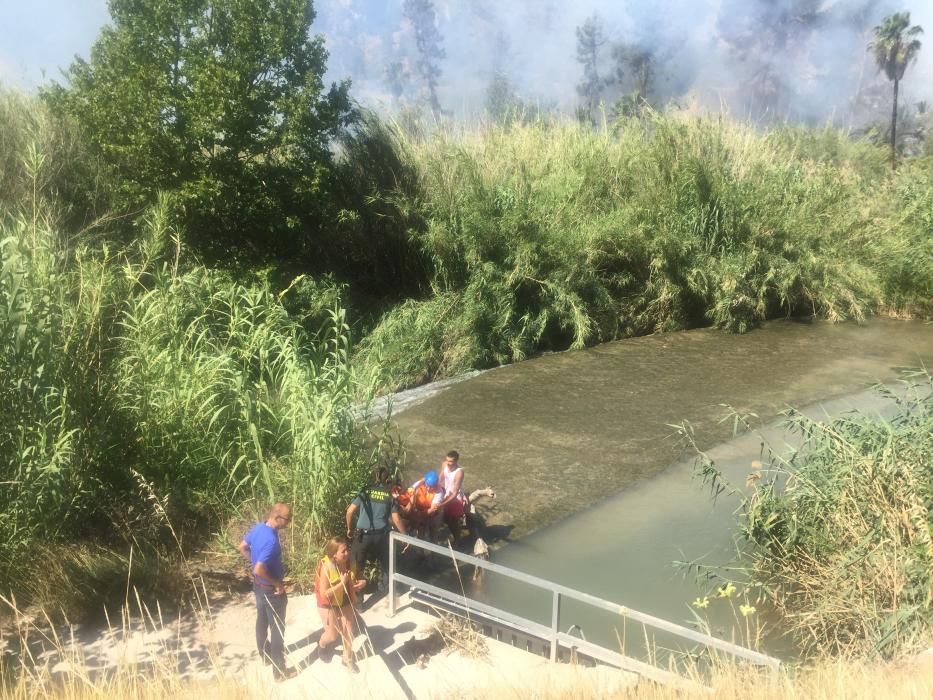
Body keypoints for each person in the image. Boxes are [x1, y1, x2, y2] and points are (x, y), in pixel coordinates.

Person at [238, 502, 297, 682]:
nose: (289, 523)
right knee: (277, 630)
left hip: (258, 586)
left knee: (262, 621)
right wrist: (277, 584)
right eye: (287, 519)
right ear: (277, 517)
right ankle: (279, 672)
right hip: (271, 591)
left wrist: (254, 561)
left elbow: (242, 546)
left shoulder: (259, 528)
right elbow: (259, 569)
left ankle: (264, 656)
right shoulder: (271, 540)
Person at [345, 467, 407, 596]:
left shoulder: (365, 492)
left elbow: (350, 511)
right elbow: (396, 519)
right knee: (386, 562)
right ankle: (385, 589)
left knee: (357, 566)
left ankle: (359, 601)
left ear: (375, 477)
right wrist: (405, 536)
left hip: (362, 535)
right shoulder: (389, 496)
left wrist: (349, 528)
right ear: (388, 479)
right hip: (381, 536)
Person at [316, 536, 366, 673]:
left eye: (347, 550)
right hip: (328, 603)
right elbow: (324, 593)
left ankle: (347, 659)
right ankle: (321, 645)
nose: (347, 553)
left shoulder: (348, 562)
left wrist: (362, 583)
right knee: (333, 635)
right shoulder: (326, 567)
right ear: (334, 554)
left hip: (344, 598)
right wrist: (342, 583)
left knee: (349, 630)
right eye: (343, 551)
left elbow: (357, 578)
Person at [436, 450, 467, 542]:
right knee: (445, 518)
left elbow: (455, 493)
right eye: (447, 460)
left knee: (454, 523)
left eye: (451, 462)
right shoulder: (444, 464)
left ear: (457, 461)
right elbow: (440, 478)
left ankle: (457, 540)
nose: (448, 463)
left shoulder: (459, 472)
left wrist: (442, 504)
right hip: (446, 494)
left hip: (455, 499)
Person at [408, 470, 445, 542]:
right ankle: (420, 549)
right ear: (425, 482)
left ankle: (433, 550)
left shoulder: (439, 491)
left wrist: (419, 515)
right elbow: (410, 491)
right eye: (427, 486)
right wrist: (412, 498)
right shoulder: (421, 483)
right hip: (421, 509)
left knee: (433, 534)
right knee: (421, 531)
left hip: (434, 514)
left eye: (432, 487)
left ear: (436, 485)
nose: (429, 489)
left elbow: (432, 510)